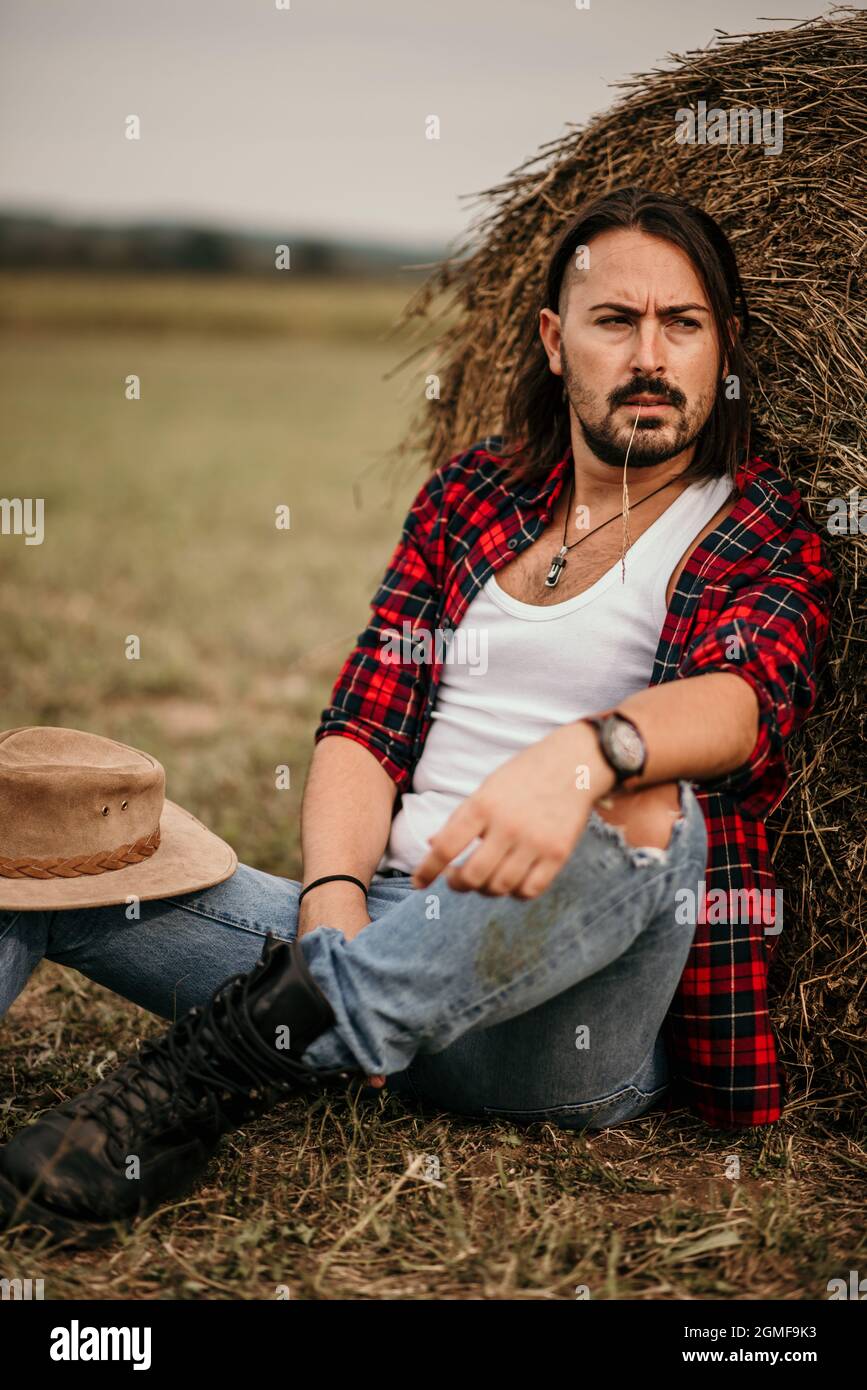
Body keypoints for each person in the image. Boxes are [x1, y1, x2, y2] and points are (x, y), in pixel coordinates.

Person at [0, 187, 834, 1243]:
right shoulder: (473, 495)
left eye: (685, 323)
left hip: (550, 1017)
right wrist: (334, 900)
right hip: (375, 925)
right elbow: (365, 722)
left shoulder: (759, 524)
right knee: (37, 817)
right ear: (552, 339)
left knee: (654, 802)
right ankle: (315, 1007)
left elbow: (745, 702)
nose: (651, 355)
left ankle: (238, 1055)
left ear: (725, 346)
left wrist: (589, 753)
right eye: (616, 321)